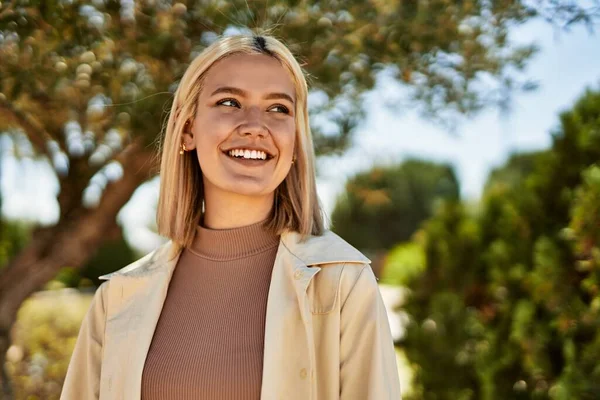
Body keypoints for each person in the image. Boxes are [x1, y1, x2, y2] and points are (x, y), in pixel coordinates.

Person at [60, 33, 401, 400]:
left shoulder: (342, 285)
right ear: (188, 129)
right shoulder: (117, 299)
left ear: (296, 140)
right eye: (229, 102)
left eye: (278, 109)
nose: (255, 125)